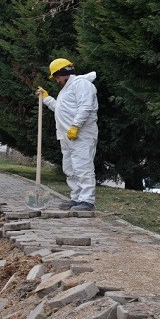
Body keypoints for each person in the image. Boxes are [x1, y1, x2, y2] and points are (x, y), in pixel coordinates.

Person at [36, 58, 99, 211]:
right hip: (67, 136)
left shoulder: (82, 84)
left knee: (83, 167)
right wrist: (47, 99)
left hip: (82, 135)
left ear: (62, 72)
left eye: (56, 76)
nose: (56, 80)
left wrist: (76, 126)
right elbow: (60, 109)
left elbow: (86, 107)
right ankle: (76, 198)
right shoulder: (67, 89)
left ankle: (87, 201)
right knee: (70, 169)